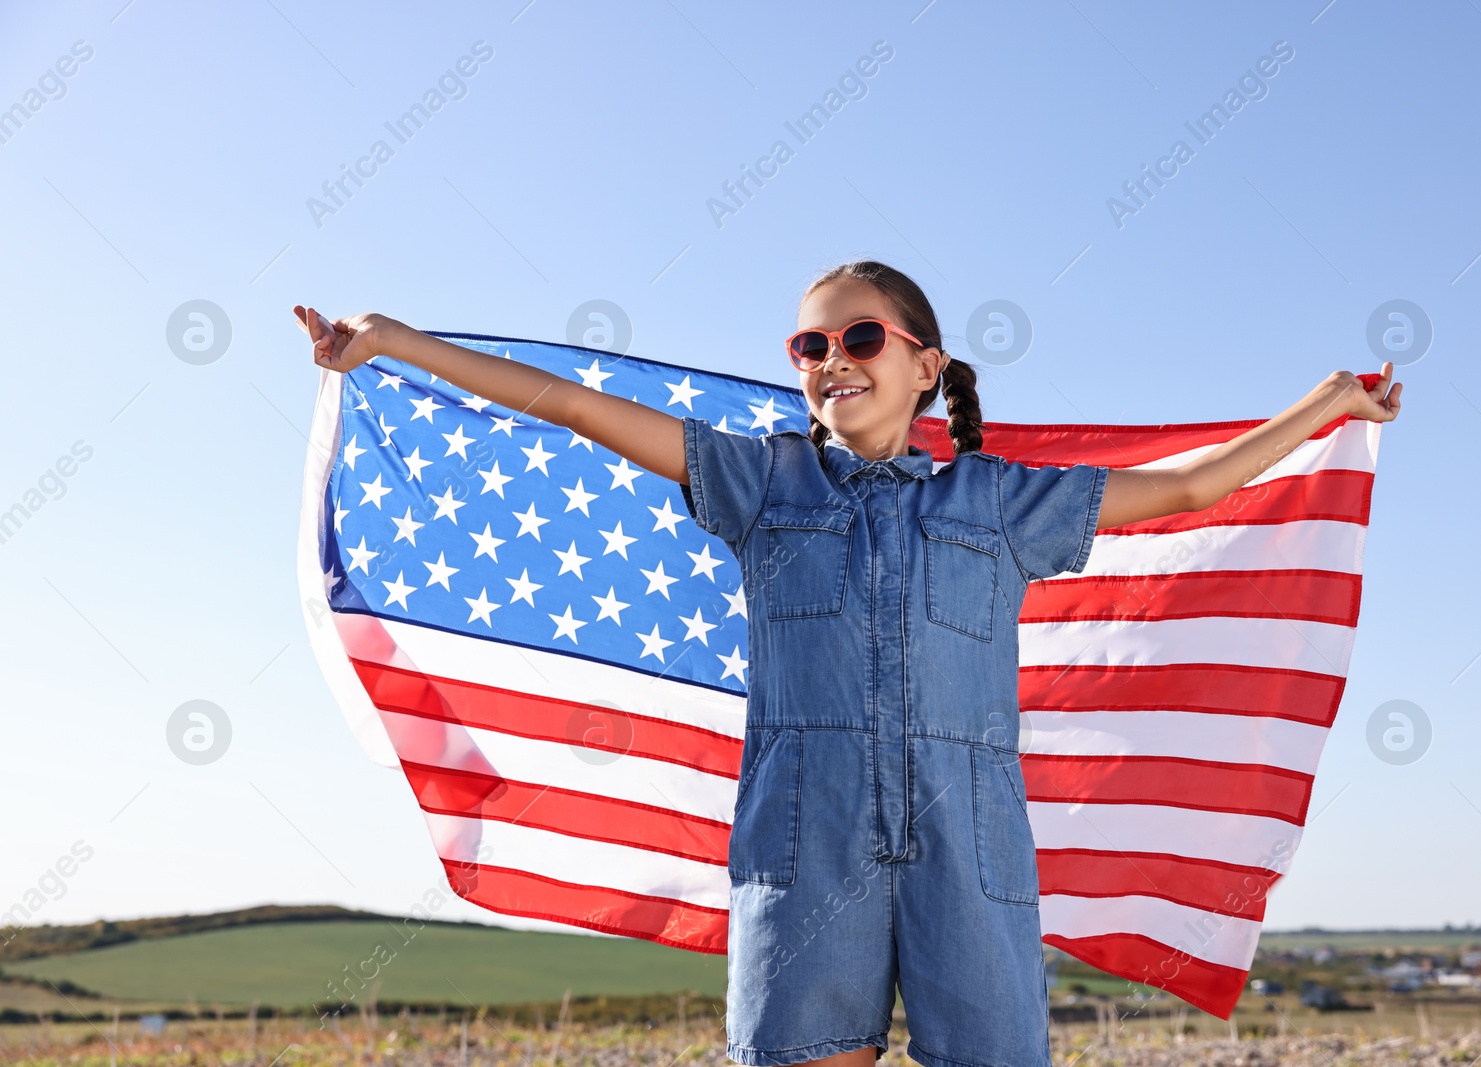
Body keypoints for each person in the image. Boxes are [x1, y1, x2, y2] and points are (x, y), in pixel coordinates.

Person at [292, 260, 1400, 1067]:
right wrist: (394, 338)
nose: (830, 363)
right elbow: (573, 406)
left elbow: (1201, 488)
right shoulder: (761, 482)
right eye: (809, 348)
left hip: (970, 832)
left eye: (858, 339)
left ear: (925, 364)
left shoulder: (1002, 500)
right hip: (804, 832)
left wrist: (1327, 404)